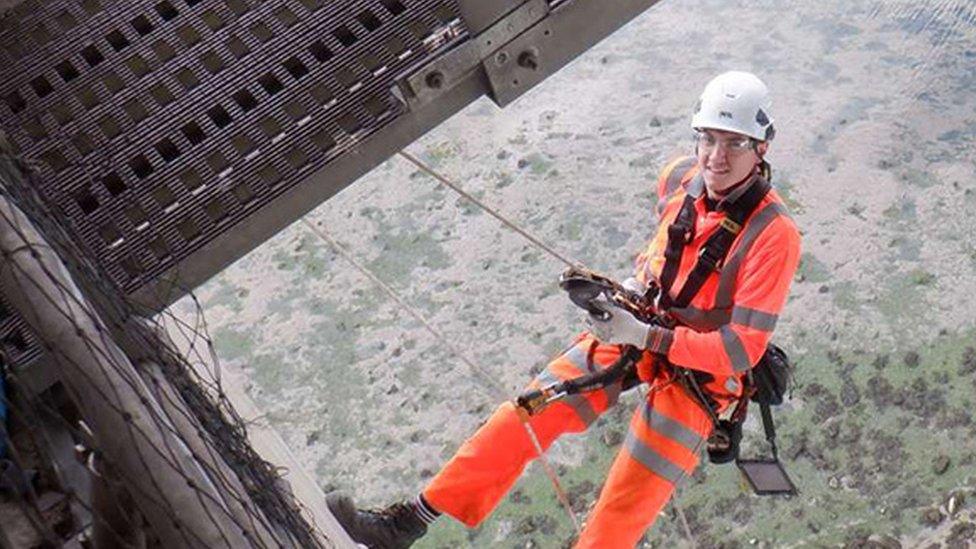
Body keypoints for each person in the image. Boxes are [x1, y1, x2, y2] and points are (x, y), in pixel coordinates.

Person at [327, 71, 802, 548]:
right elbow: (664, 246)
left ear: (761, 148)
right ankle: (406, 524)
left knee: (628, 498)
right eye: (708, 139)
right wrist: (632, 290)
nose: (716, 157)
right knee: (525, 415)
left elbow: (740, 350)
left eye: (734, 144)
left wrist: (644, 336)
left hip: (701, 374)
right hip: (639, 325)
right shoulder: (680, 178)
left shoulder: (773, 236)